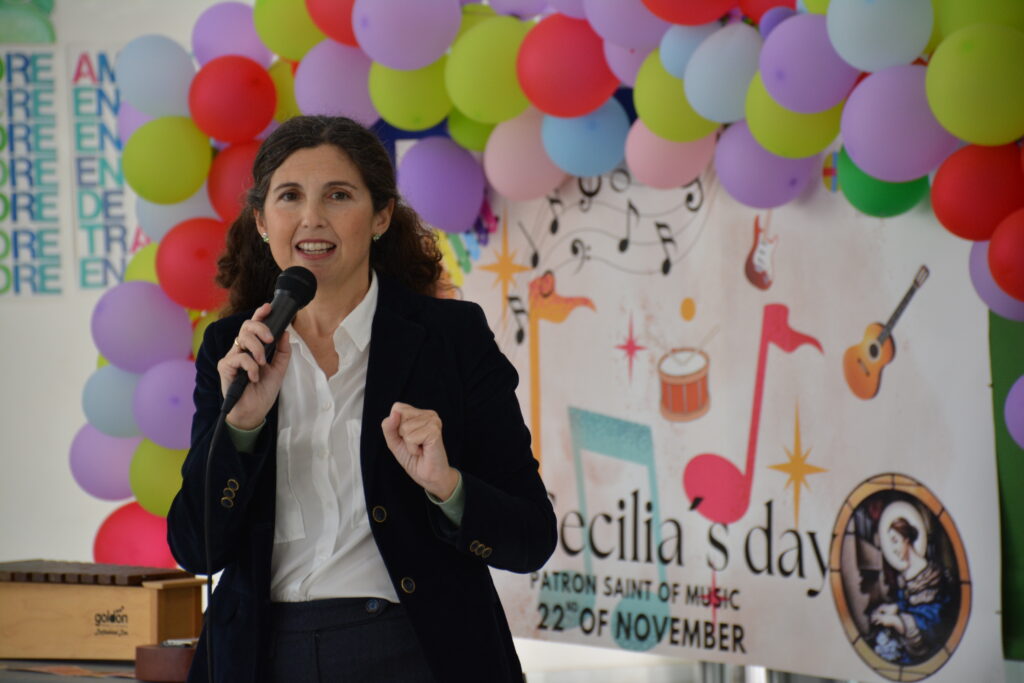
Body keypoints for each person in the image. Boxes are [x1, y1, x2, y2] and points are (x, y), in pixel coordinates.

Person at [167, 115, 557, 683]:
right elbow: (195, 548)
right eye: (289, 197)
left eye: (339, 195)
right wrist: (241, 428)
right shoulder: (231, 349)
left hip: (417, 651)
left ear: (381, 216)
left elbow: (530, 538)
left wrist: (447, 488)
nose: (311, 218)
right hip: (262, 656)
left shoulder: (451, 338)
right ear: (261, 220)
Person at [869, 516, 953, 664]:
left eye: (895, 541)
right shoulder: (905, 575)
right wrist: (894, 607)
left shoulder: (932, 575)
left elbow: (933, 627)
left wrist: (896, 622)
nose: (893, 549)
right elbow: (909, 605)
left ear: (907, 539)